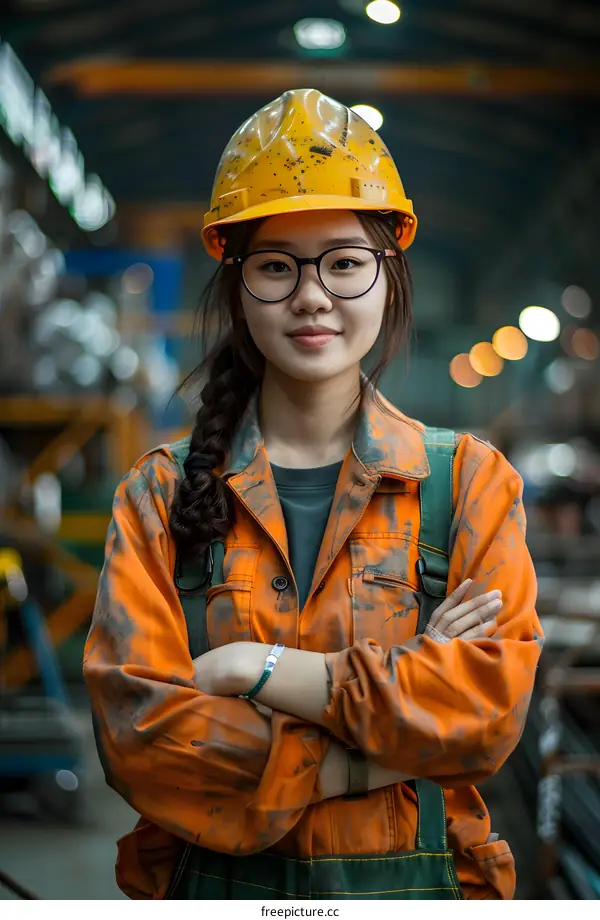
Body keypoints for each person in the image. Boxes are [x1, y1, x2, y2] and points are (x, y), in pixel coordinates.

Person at [84, 89, 543, 900]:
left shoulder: (469, 483)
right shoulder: (159, 493)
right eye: (275, 266)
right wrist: (370, 753)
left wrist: (249, 667)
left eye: (343, 261)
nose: (311, 295)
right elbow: (140, 736)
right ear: (236, 284)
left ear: (388, 274)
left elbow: (484, 714)